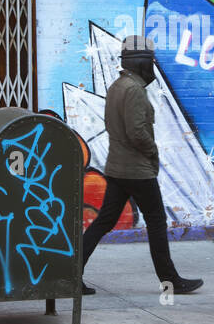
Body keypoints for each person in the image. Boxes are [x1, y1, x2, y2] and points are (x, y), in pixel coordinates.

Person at [81, 35, 203, 295]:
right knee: (157, 222)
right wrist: (153, 150)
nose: (152, 66)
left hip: (117, 167)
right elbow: (137, 132)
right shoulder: (134, 90)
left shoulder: (118, 86)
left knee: (103, 222)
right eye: (149, 61)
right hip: (136, 170)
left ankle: (70, 274)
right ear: (140, 62)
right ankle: (171, 281)